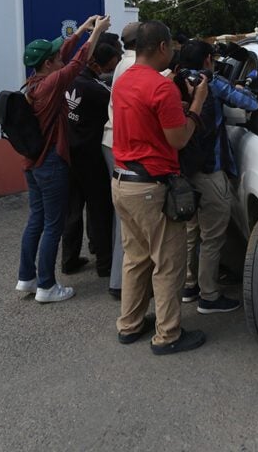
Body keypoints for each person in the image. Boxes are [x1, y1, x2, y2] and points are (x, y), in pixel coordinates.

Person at [110, 20, 208, 355]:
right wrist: (197, 104)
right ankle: (168, 335)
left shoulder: (123, 81)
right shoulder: (161, 87)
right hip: (152, 188)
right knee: (168, 263)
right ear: (163, 47)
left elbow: (145, 122)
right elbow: (178, 139)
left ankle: (130, 324)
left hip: (123, 182)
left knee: (135, 258)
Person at [16, 14, 110, 304]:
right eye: (55, 55)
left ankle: (26, 278)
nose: (61, 55)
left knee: (36, 220)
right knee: (53, 225)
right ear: (48, 64)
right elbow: (78, 61)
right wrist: (96, 35)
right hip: (51, 164)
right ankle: (46, 285)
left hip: (32, 164)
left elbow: (67, 54)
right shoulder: (53, 84)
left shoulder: (34, 82)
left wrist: (83, 28)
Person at [176, 40, 258, 312]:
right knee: (213, 236)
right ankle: (209, 296)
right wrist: (245, 84)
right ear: (208, 60)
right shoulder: (212, 82)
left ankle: (189, 285)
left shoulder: (175, 79)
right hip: (210, 168)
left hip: (185, 167)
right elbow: (249, 104)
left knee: (193, 230)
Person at [60, 35, 122, 277]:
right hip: (91, 158)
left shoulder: (70, 80)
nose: (115, 68)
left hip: (69, 154)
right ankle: (105, 264)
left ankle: (69, 259)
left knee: (72, 210)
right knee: (99, 210)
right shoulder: (97, 89)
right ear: (99, 64)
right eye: (113, 62)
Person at [101, 21, 140, 300]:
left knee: (123, 215)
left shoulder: (123, 64)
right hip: (123, 145)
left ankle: (121, 280)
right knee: (129, 218)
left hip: (112, 142)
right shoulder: (136, 66)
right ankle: (121, 283)